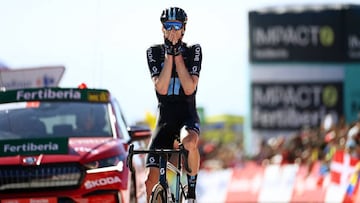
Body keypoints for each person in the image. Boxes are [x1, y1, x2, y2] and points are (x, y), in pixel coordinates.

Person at [145, 7, 202, 203]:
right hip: (165, 120)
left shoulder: (194, 50)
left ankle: (191, 189)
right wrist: (169, 54)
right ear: (162, 29)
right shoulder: (154, 52)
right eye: (168, 26)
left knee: (189, 143)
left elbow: (189, 88)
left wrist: (177, 54)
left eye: (176, 26)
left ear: (184, 29)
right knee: (149, 183)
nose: (172, 30)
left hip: (186, 115)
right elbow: (161, 88)